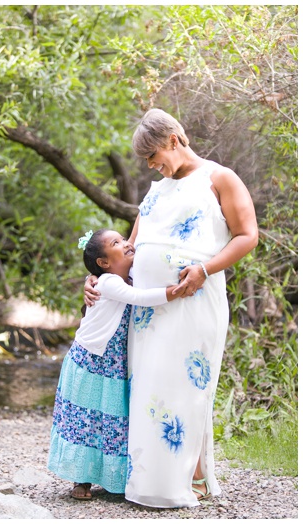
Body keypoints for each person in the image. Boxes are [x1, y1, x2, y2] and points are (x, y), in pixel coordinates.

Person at [84, 109, 258, 507]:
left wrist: (204, 268)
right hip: (147, 312)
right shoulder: (156, 189)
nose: (150, 165)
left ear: (174, 141)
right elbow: (129, 249)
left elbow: (248, 235)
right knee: (149, 385)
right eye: (146, 160)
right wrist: (96, 277)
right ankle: (148, 481)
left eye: (153, 155)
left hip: (195, 300)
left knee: (187, 386)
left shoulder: (219, 178)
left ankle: (192, 477)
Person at [48, 229, 183, 500]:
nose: (125, 243)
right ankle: (82, 479)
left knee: (113, 420)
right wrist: (176, 291)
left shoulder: (125, 277)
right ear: (103, 263)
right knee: (86, 421)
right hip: (89, 361)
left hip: (113, 365)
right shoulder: (109, 282)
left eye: (123, 238)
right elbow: (141, 298)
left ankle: (112, 478)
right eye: (116, 243)